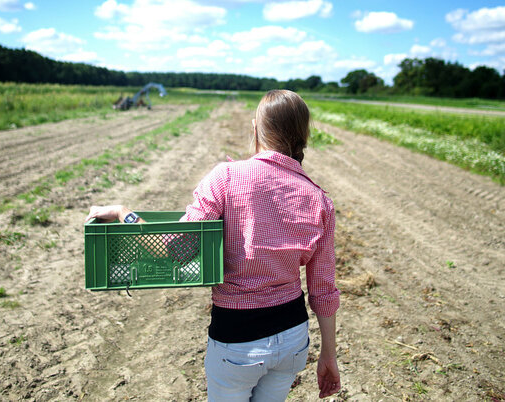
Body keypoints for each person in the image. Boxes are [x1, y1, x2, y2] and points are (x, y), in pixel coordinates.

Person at [87, 90, 341, 401]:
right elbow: (324, 290)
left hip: (237, 341)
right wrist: (329, 356)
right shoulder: (319, 199)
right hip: (293, 339)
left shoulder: (226, 178)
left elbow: (175, 250)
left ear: (257, 128)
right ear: (303, 134)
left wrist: (122, 214)